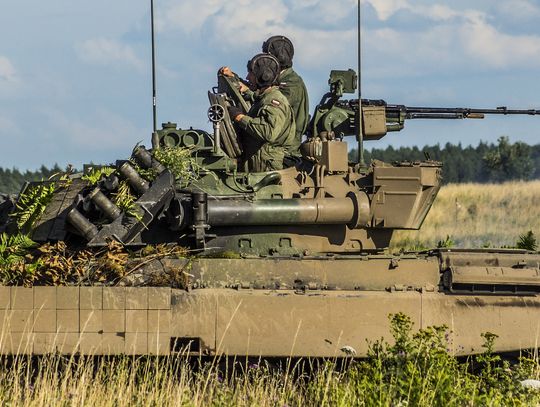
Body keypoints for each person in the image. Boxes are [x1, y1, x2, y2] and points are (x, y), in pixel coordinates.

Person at [219, 35, 309, 146]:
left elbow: (267, 101)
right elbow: (259, 87)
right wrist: (234, 78)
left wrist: (240, 115)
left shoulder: (291, 84)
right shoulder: (278, 79)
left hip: (283, 146)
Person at [227, 53, 297, 172]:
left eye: (251, 74)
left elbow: (268, 132)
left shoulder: (274, 101)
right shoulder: (264, 98)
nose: (248, 77)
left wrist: (240, 118)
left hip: (267, 167)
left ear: (263, 76)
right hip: (259, 162)